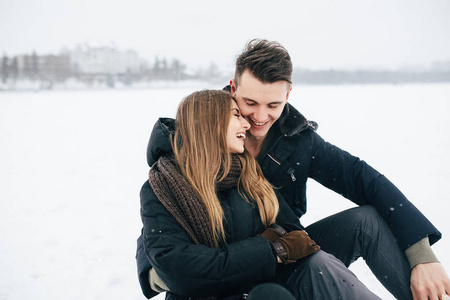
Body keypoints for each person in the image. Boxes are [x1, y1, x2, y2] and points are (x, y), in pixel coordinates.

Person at [137, 39, 450, 299]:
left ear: (287, 96)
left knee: (360, 226)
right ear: (233, 88)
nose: (258, 118)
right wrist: (156, 270)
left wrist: (422, 255)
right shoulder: (200, 131)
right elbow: (163, 214)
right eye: (249, 103)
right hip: (229, 272)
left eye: (273, 105)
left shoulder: (297, 142)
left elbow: (364, 179)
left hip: (283, 257)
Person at [139, 89, 384, 299]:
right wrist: (271, 250)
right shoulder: (164, 185)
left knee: (323, 258)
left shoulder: (247, 171)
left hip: (263, 282)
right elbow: (179, 268)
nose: (246, 123)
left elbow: (292, 231)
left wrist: (272, 243)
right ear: (208, 124)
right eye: (236, 116)